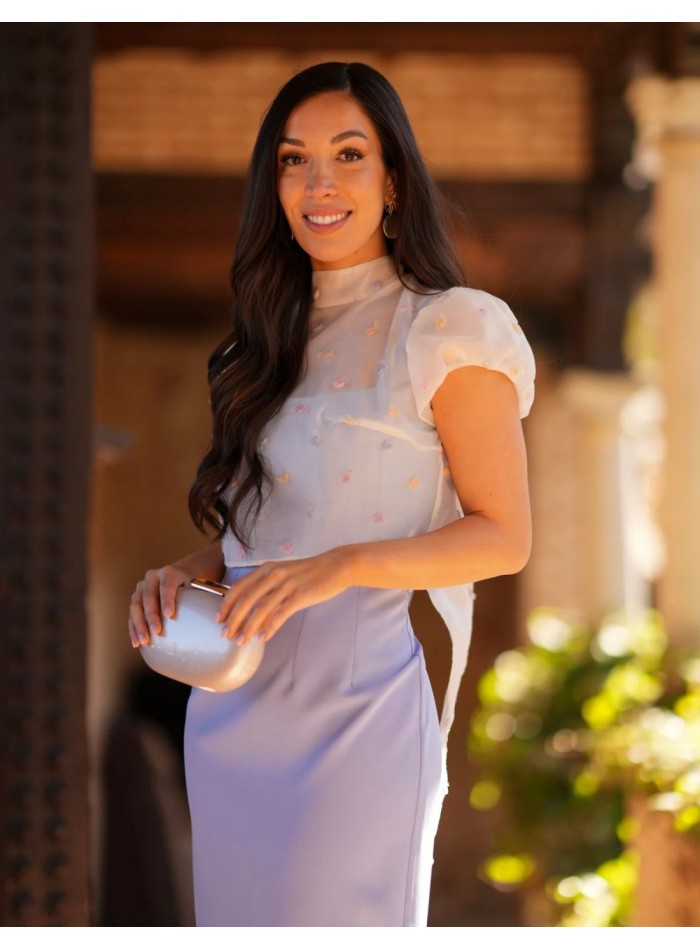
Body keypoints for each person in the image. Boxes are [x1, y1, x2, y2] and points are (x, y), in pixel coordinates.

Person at [128, 61, 536, 927]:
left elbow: (503, 536)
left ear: (394, 180)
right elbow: (275, 522)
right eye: (293, 159)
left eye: (350, 155)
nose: (320, 182)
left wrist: (341, 567)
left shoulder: (450, 326)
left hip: (359, 721)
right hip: (230, 711)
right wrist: (192, 569)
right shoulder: (264, 344)